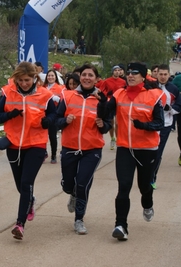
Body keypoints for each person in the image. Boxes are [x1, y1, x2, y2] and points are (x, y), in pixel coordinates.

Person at [97, 62, 165, 241]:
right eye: (129, 73)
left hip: (147, 149)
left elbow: (160, 123)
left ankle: (147, 203)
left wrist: (144, 126)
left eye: (135, 73)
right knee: (124, 186)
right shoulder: (119, 94)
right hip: (125, 148)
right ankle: (121, 225)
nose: (130, 75)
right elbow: (106, 114)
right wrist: (103, 102)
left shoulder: (154, 96)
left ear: (143, 77)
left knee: (144, 186)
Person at [0, 61, 56, 240]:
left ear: (35, 78)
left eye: (27, 80)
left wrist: (48, 121)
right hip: (13, 145)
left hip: (36, 144)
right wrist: (10, 114)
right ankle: (30, 202)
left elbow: (54, 114)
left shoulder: (45, 95)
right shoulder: (8, 92)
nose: (24, 83)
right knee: (20, 185)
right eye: (20, 80)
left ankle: (19, 224)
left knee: (27, 182)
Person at [56, 64, 111, 234]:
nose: (87, 77)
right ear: (80, 77)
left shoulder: (102, 100)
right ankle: (71, 192)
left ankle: (79, 219)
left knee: (83, 184)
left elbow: (107, 125)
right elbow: (55, 120)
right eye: (84, 75)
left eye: (91, 75)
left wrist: (103, 125)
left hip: (92, 148)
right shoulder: (68, 96)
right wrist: (65, 121)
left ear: (96, 79)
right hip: (70, 147)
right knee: (67, 184)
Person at [151, 64, 181, 189]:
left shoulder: (173, 89)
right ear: (156, 74)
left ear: (169, 75)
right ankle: (146, 175)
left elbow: (179, 106)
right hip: (151, 124)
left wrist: (170, 109)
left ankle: (152, 178)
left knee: (158, 152)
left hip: (165, 125)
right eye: (161, 74)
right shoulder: (150, 87)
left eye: (165, 74)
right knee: (149, 152)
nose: (163, 77)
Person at [100, 65, 127, 150]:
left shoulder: (123, 82)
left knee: (118, 123)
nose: (117, 72)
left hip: (119, 104)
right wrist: (106, 96)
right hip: (110, 103)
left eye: (119, 70)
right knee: (111, 123)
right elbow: (101, 91)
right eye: (115, 70)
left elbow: (126, 91)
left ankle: (118, 139)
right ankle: (112, 138)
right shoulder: (107, 81)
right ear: (112, 71)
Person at [43, 70, 64, 163]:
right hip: (43, 113)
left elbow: (63, 101)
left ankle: (54, 155)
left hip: (54, 114)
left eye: (52, 75)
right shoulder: (43, 88)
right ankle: (44, 153)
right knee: (42, 135)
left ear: (55, 77)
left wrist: (57, 98)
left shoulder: (60, 88)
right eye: (49, 76)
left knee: (52, 136)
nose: (50, 77)